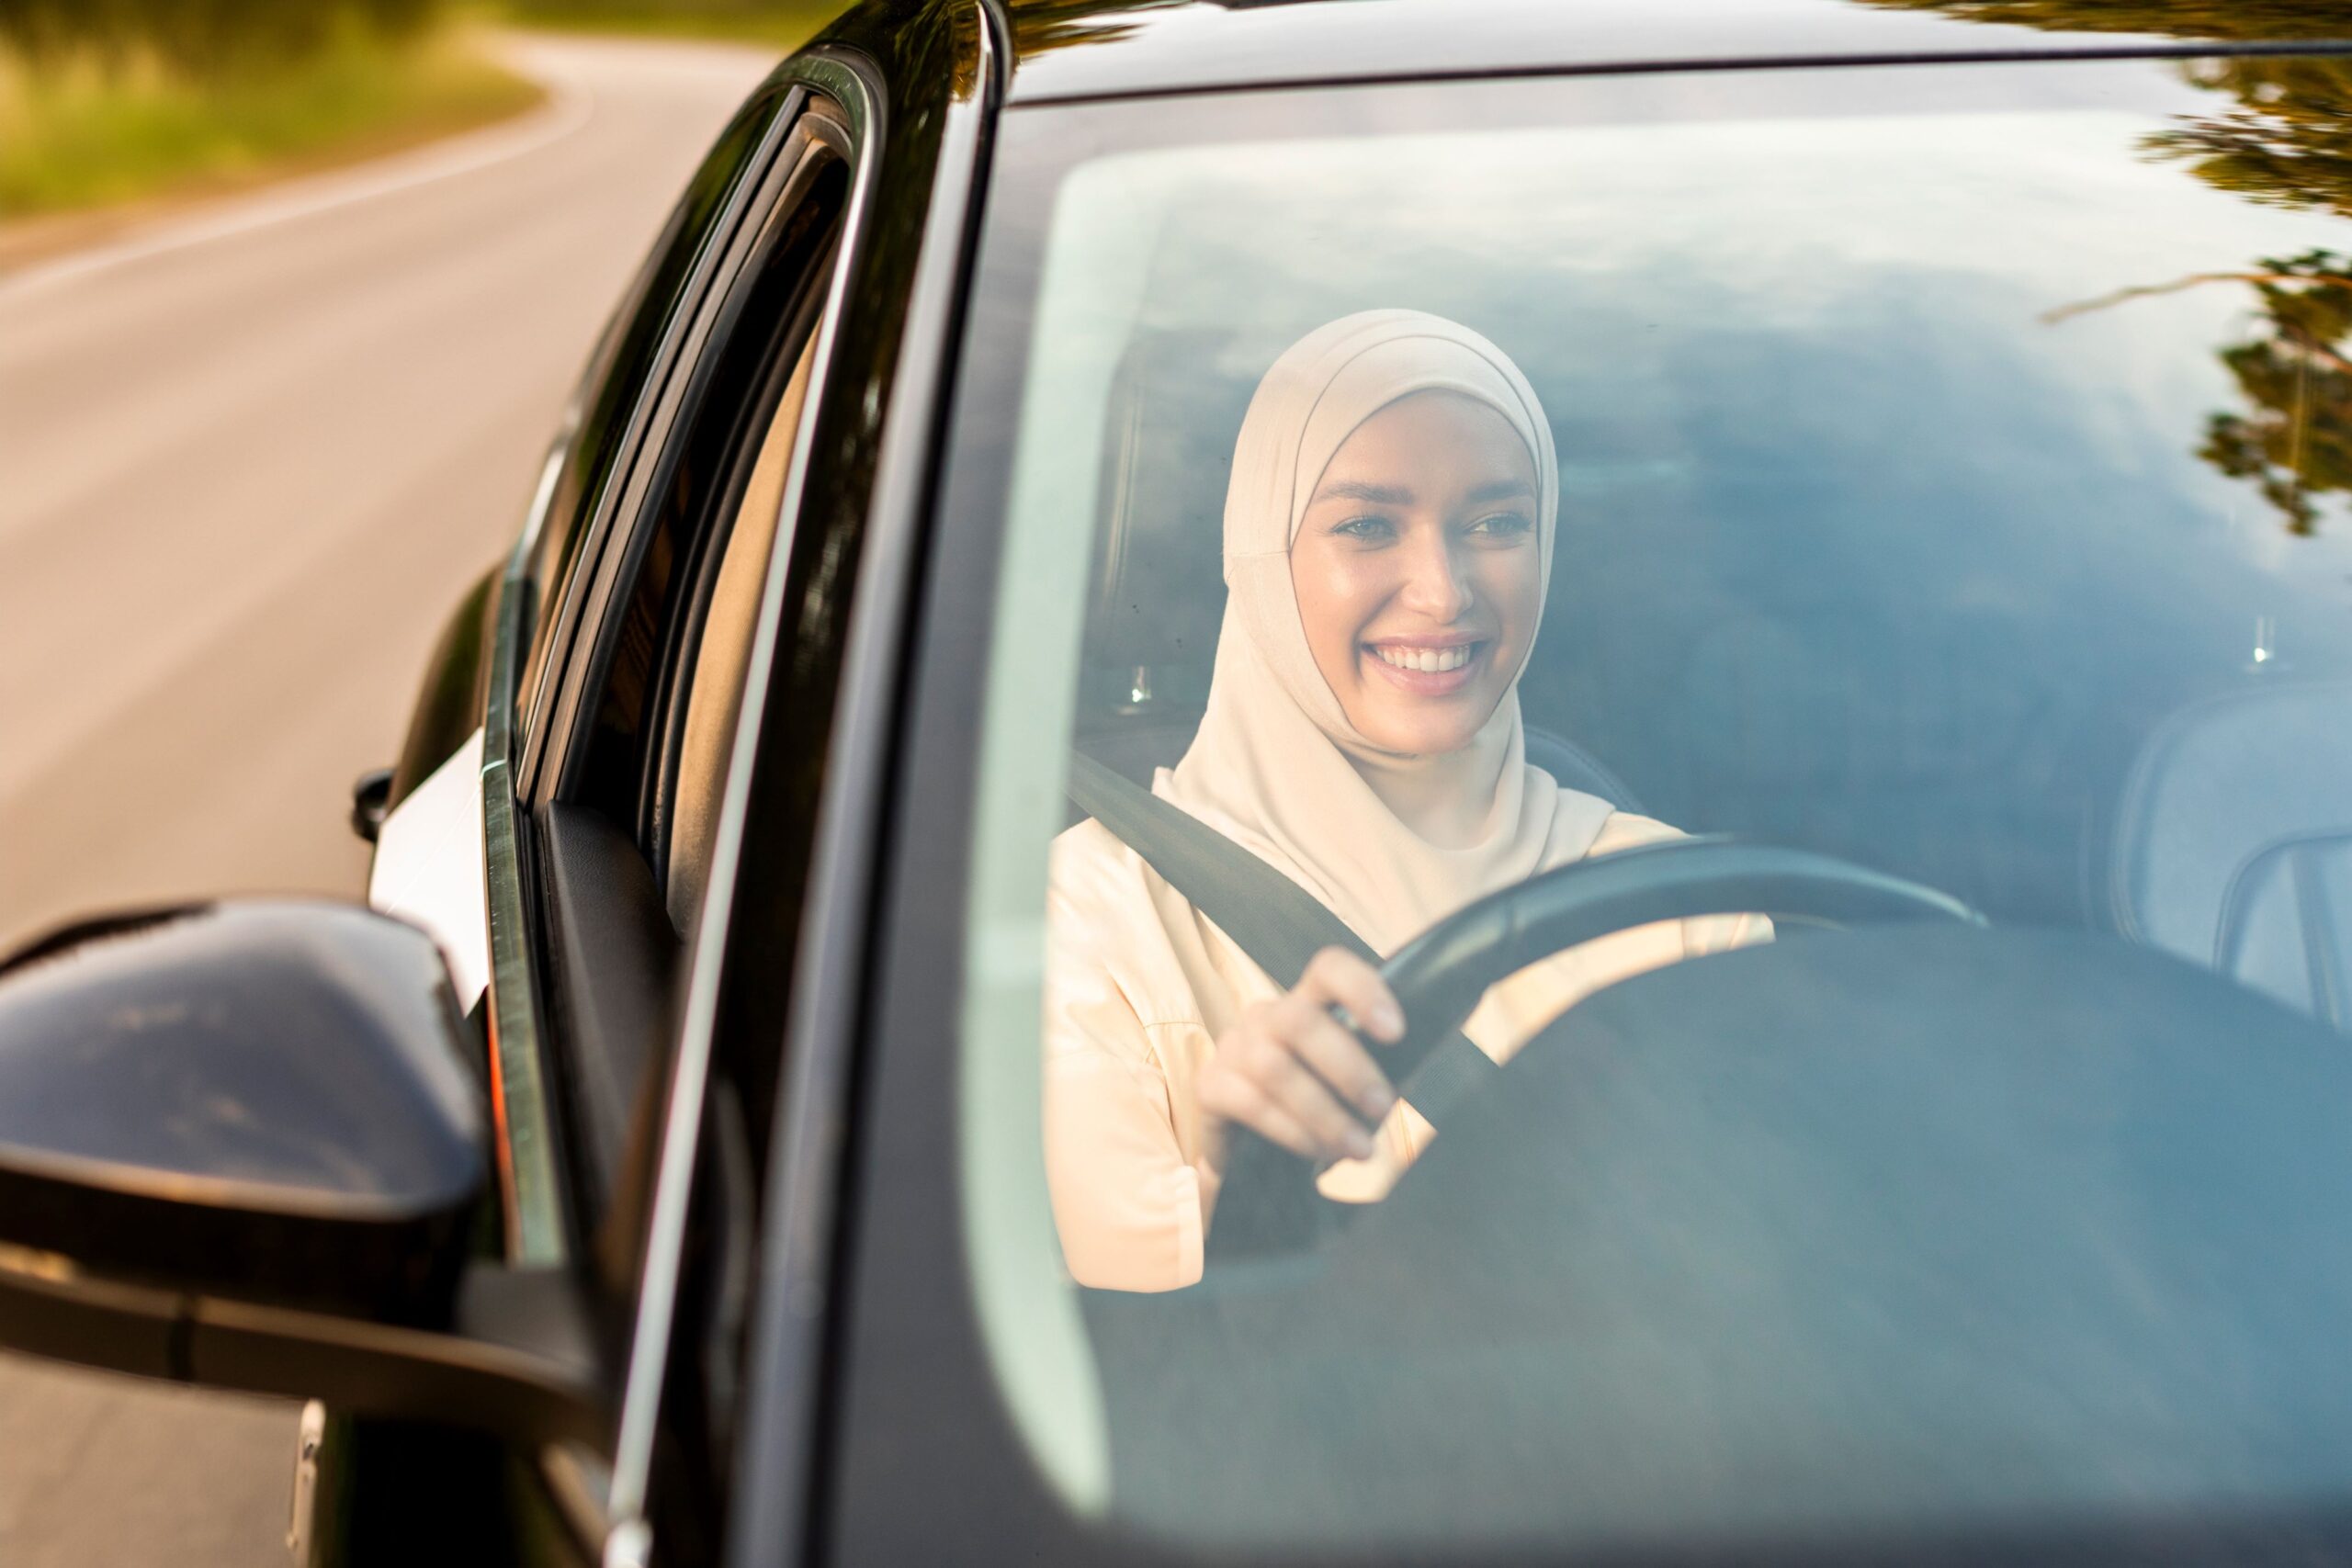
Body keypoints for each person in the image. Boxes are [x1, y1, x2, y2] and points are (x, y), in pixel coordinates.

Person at [1044, 310, 1766, 1292]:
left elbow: (1777, 1284)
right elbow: (1122, 1364)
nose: (1443, 591)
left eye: (1496, 523)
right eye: (1367, 526)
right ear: (1262, 556)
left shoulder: (1687, 905)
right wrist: (1237, 1184)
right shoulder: (1089, 920)